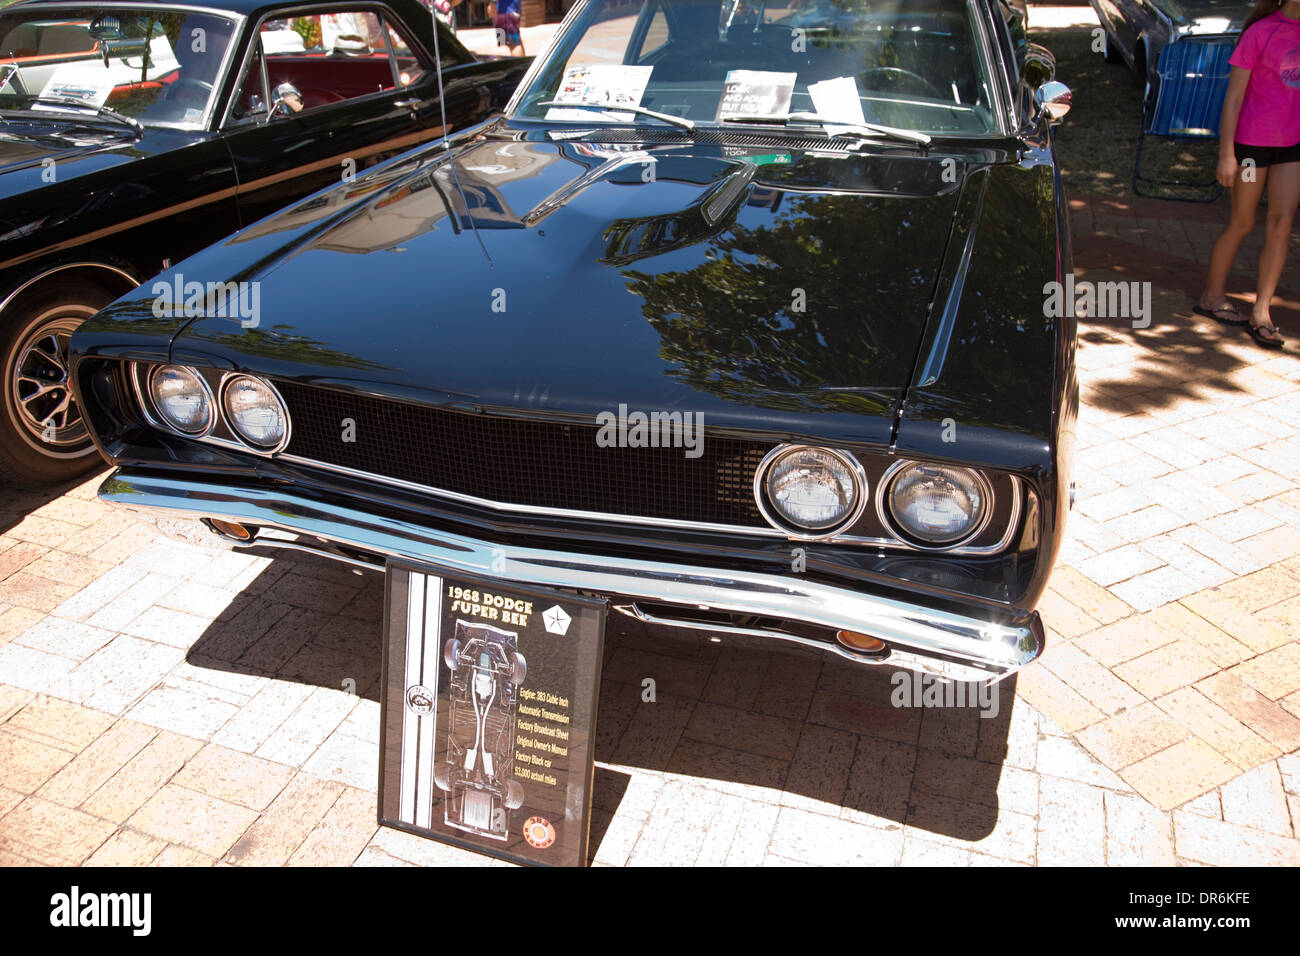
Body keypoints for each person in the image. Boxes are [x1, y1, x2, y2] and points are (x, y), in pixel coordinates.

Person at [1196, 0, 1300, 350]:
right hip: (1252, 149)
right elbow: (1234, 98)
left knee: (1282, 223)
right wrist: (1227, 155)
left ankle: (1261, 312)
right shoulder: (1260, 32)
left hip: (1293, 147)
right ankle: (1211, 297)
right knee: (1242, 221)